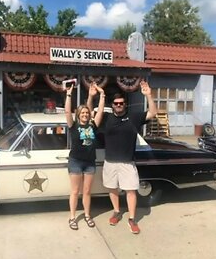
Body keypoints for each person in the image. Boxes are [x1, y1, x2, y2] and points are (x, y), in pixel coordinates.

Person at [88, 79, 157, 234]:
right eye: (116, 103)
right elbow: (89, 113)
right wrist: (91, 96)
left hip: (127, 163)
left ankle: (132, 219)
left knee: (131, 190)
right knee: (112, 188)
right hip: (110, 161)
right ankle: (117, 211)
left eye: (121, 103)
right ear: (112, 105)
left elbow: (152, 113)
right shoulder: (105, 118)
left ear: (125, 104)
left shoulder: (134, 117)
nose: (118, 105)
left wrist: (149, 95)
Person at [64, 82, 105, 230]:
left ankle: (87, 215)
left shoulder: (93, 125)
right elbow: (67, 112)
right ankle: (72, 217)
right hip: (75, 161)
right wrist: (69, 94)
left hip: (90, 162)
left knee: (87, 191)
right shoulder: (73, 126)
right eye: (82, 113)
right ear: (78, 115)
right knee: (75, 191)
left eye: (87, 113)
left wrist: (102, 94)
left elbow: (100, 111)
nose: (85, 114)